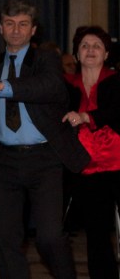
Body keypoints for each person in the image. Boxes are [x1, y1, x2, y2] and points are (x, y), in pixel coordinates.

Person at [0, 0, 90, 279]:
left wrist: (3, 86)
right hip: (2, 159)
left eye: (23, 24)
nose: (16, 30)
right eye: (10, 24)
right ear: (0, 28)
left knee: (50, 237)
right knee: (4, 239)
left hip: (43, 158)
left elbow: (50, 86)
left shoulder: (45, 59)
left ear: (33, 30)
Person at [62, 26, 120, 279]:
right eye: (84, 45)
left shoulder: (116, 80)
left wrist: (87, 116)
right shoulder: (66, 85)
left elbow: (117, 111)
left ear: (106, 54)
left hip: (118, 161)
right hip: (86, 166)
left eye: (97, 46)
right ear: (76, 54)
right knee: (96, 232)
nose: (90, 50)